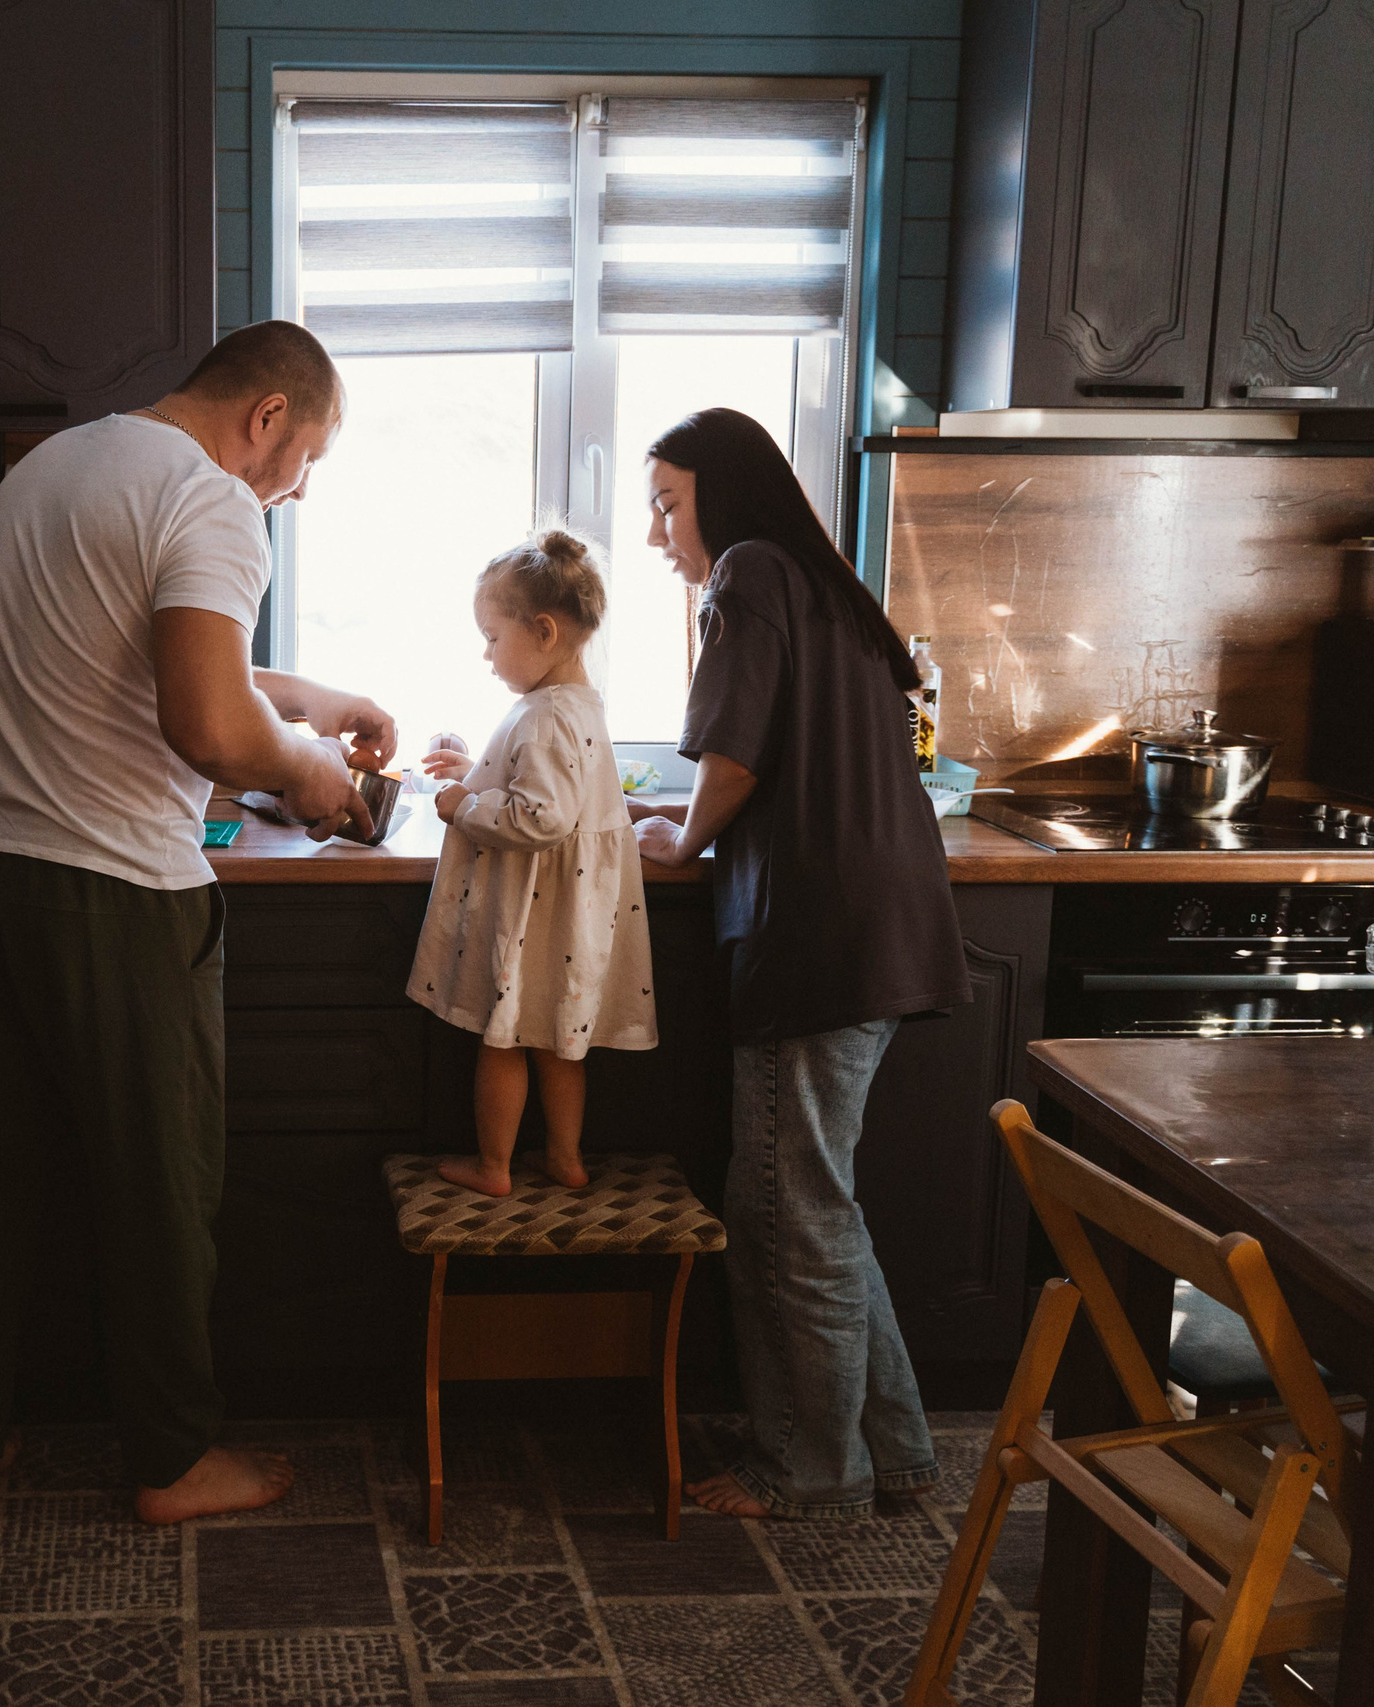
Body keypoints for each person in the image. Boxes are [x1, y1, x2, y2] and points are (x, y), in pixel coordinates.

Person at [0, 322, 397, 1526]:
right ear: (269, 416)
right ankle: (173, 1464)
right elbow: (208, 727)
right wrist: (310, 776)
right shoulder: (212, 502)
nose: (295, 490)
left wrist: (318, 698)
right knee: (158, 1194)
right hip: (115, 898)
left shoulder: (52, 467)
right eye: (308, 458)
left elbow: (130, 659)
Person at [630, 408, 968, 1521]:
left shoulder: (744, 573)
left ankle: (814, 1468)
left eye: (666, 502)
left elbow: (733, 755)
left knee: (789, 1210)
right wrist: (683, 813)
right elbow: (778, 757)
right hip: (878, 922)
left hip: (817, 932)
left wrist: (680, 837)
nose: (657, 532)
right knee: (810, 1199)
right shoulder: (822, 586)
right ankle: (899, 1452)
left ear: (721, 497)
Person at [409, 531, 657, 1197]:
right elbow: (548, 790)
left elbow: (541, 817)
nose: (485, 655)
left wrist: (462, 804)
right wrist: (479, 772)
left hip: (533, 916)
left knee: (504, 1039)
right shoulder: (581, 706)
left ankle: (494, 1167)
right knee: (559, 1042)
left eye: (492, 637)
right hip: (571, 921)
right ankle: (566, 1157)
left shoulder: (542, 715)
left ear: (544, 631)